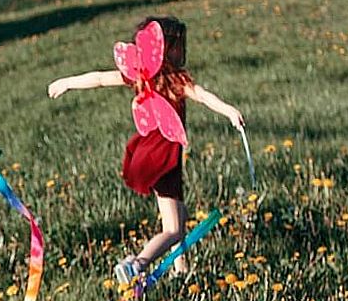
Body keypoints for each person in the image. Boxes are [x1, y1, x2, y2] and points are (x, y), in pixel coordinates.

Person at [47, 16, 243, 286]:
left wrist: (67, 82)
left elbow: (101, 78)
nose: (184, 51)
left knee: (180, 215)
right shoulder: (176, 81)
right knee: (173, 229)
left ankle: (180, 270)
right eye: (180, 46)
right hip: (163, 159)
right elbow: (203, 95)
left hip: (150, 154)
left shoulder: (142, 76)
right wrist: (230, 111)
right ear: (168, 49)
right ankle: (135, 264)